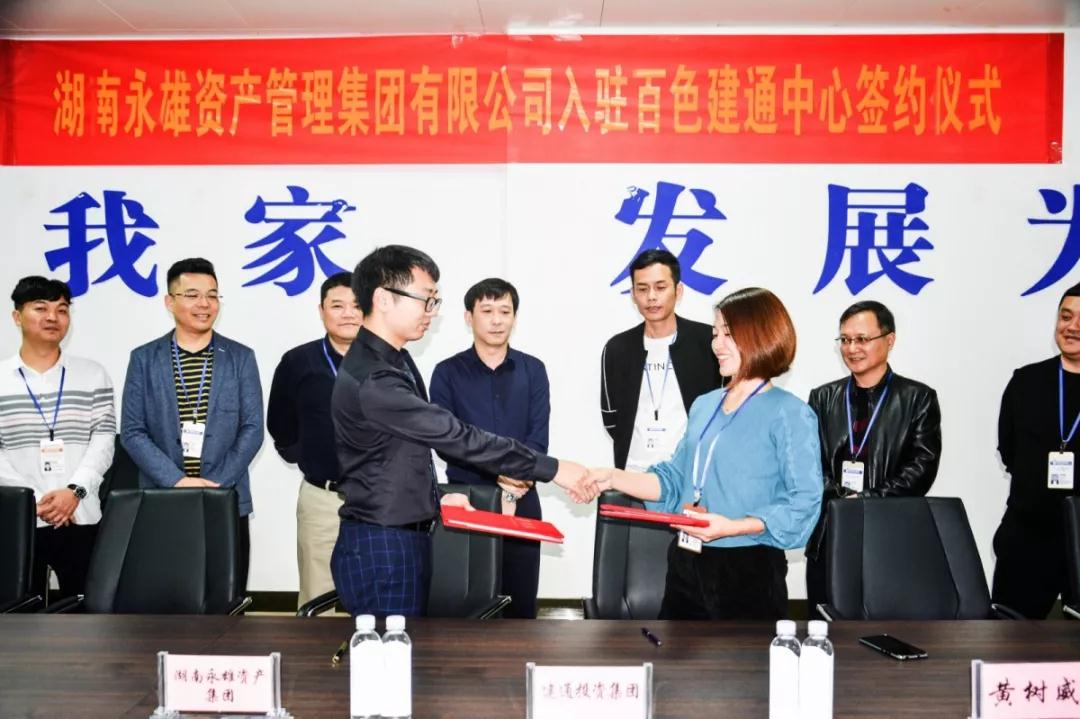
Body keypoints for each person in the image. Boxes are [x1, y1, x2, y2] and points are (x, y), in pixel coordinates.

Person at [330, 245, 593, 618]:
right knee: (391, 652)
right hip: (384, 545)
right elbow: (454, 435)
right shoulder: (375, 378)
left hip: (401, 534)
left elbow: (394, 459)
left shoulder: (394, 360)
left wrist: (435, 501)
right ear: (384, 299)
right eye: (425, 299)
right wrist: (554, 469)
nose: (431, 312)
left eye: (435, 301)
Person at [588, 287, 822, 620]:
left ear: (762, 336)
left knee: (742, 656)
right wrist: (612, 477)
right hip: (686, 561)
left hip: (748, 568)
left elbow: (804, 502)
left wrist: (733, 526)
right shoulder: (705, 404)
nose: (717, 344)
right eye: (715, 334)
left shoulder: (790, 413)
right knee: (673, 653)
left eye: (729, 334)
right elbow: (674, 480)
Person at [121, 258, 264, 591]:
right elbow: (133, 430)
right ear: (169, 301)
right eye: (193, 295)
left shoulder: (240, 357)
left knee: (226, 596)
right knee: (165, 595)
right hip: (161, 499)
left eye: (212, 295)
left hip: (224, 498)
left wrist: (213, 484)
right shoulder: (144, 358)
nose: (205, 304)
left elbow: (253, 428)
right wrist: (177, 481)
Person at [803, 301, 941, 613]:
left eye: (862, 339)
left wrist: (866, 500)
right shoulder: (823, 398)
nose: (852, 348)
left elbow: (921, 467)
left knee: (884, 625)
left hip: (890, 534)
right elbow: (808, 463)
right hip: (832, 530)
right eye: (845, 339)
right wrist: (841, 499)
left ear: (889, 340)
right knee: (825, 623)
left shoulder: (917, 398)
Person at [430, 278, 549, 618]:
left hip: (524, 499)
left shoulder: (533, 370)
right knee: (466, 603)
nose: (497, 320)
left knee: (520, 603)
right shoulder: (447, 373)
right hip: (467, 500)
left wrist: (513, 487)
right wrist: (500, 477)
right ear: (469, 317)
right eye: (487, 311)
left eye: (505, 311)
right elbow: (446, 443)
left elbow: (538, 439)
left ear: (515, 317)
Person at [0, 276, 115, 601]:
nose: (53, 317)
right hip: (17, 519)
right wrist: (35, 500)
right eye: (41, 308)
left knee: (86, 613)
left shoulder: (93, 374)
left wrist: (73, 491)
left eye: (62, 309)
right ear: (17, 316)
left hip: (81, 513)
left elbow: (104, 439)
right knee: (18, 614)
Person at [267, 271, 362, 607]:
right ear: (322, 310)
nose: (348, 313)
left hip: (379, 498)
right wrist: (306, 455)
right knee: (318, 594)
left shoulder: (392, 358)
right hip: (323, 497)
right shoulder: (298, 361)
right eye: (337, 305)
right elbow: (280, 422)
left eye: (356, 305)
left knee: (376, 592)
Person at [992, 282, 1080, 618]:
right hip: (1027, 535)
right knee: (1008, 637)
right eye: (1065, 317)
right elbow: (1009, 450)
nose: (1072, 327)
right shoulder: (1026, 381)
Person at [600, 249, 720, 471]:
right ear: (633, 295)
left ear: (678, 290)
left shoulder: (708, 341)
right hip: (634, 473)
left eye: (660, 287)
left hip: (691, 473)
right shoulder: (618, 348)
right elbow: (612, 420)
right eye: (642, 289)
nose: (651, 297)